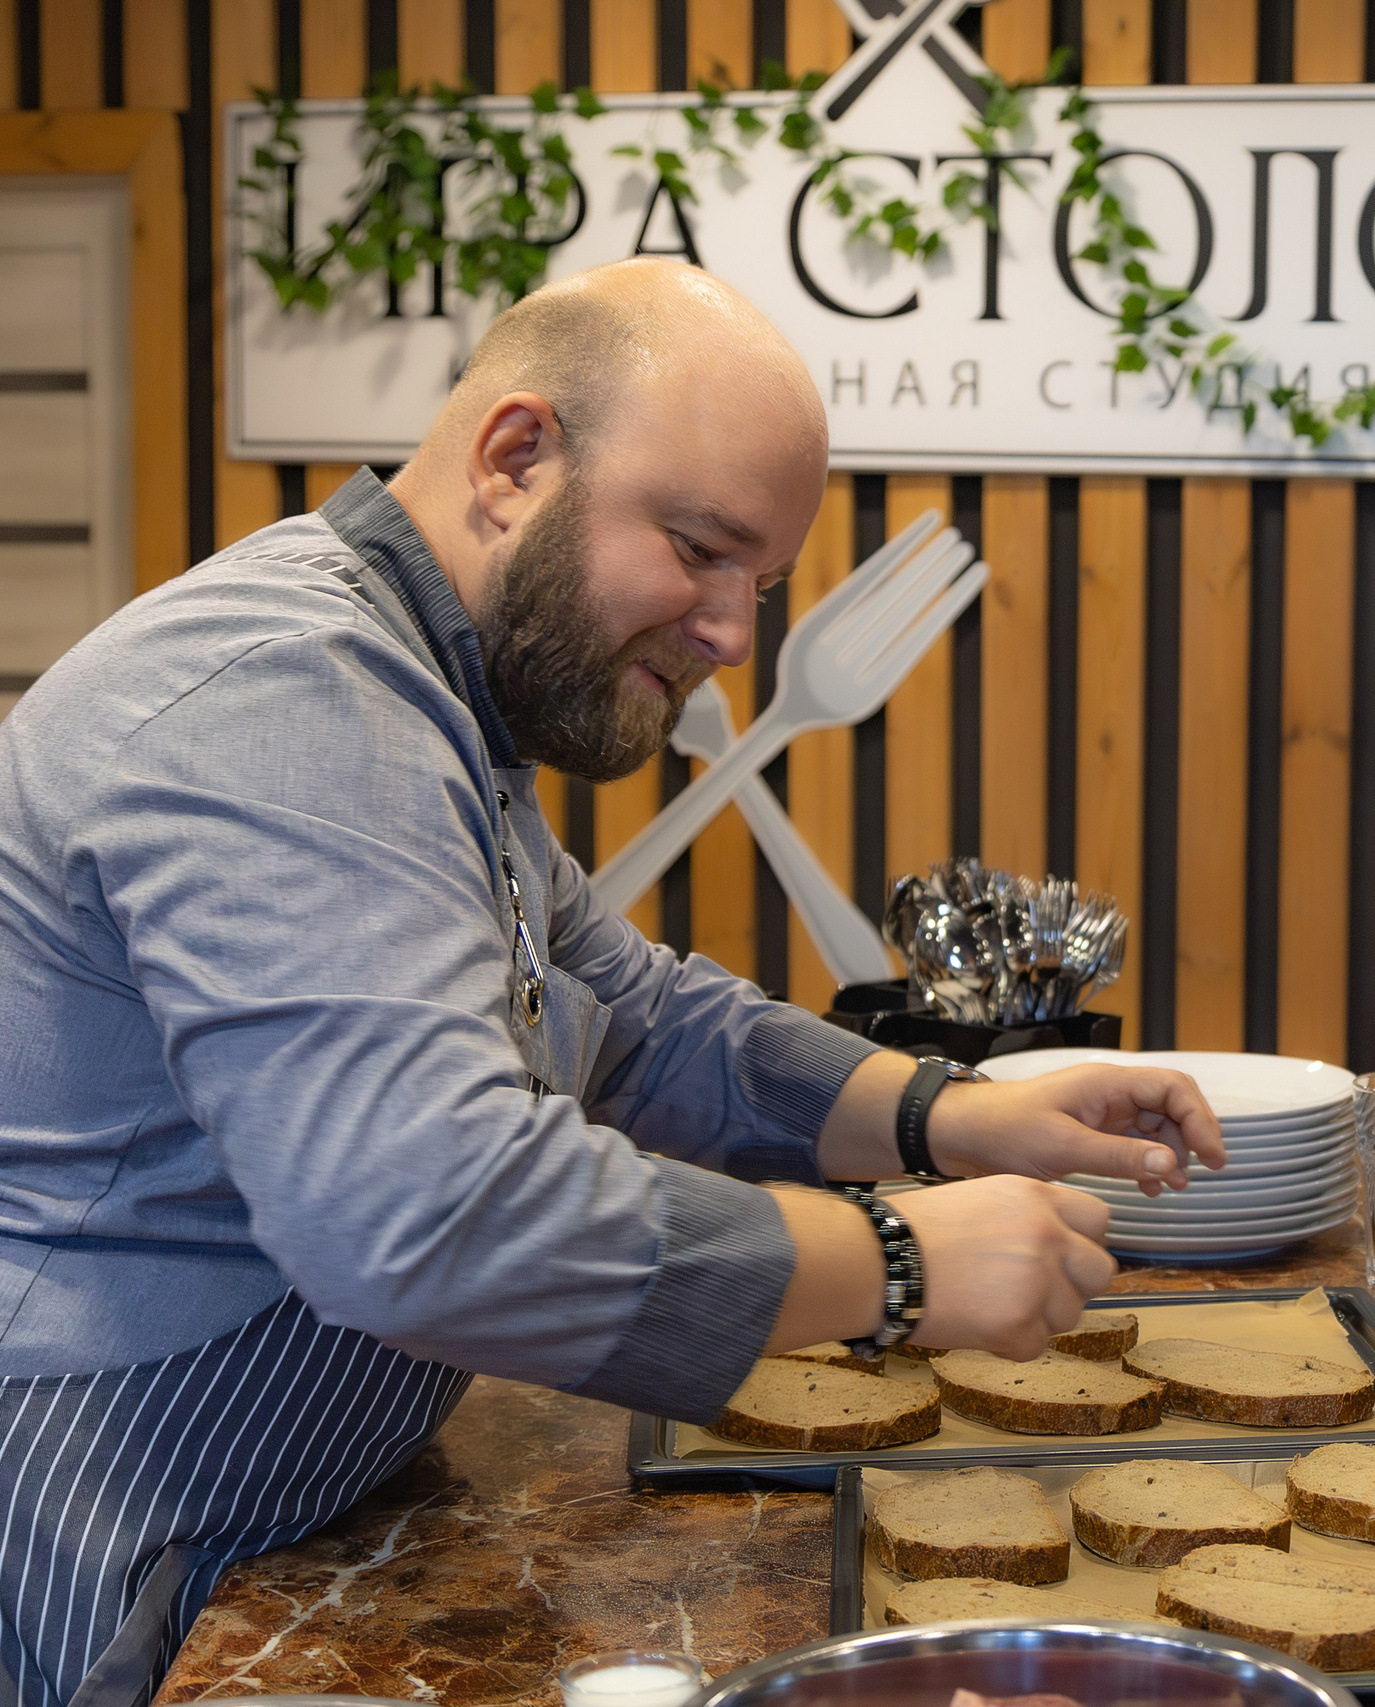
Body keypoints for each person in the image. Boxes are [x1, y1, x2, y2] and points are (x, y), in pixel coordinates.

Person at [0, 260, 1221, 1707]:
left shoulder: (432, 696)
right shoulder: (288, 698)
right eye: (700, 549)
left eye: (760, 585)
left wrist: (953, 1114)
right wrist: (895, 1262)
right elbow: (430, 1214)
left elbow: (639, 1021)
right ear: (516, 458)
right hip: (102, 1551)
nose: (733, 635)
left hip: (271, 1515)